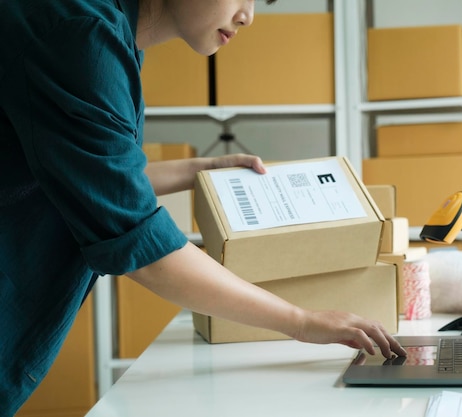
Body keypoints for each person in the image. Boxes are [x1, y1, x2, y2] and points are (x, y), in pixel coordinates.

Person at [0, 0, 406, 414]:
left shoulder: (101, 31)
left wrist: (203, 169)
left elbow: (89, 178)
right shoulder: (81, 38)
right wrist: (300, 321)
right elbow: (143, 251)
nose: (248, 15)